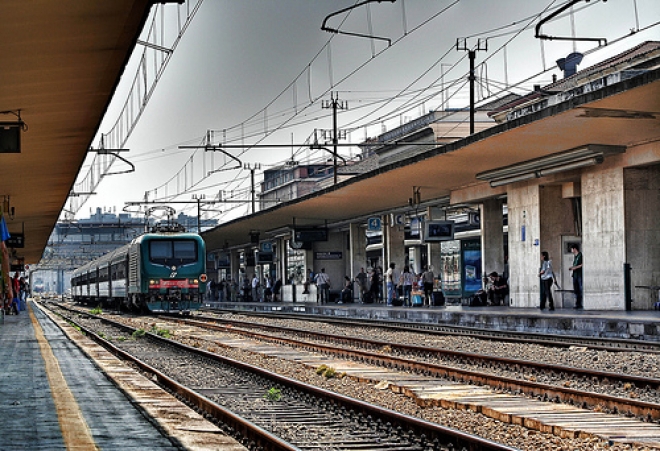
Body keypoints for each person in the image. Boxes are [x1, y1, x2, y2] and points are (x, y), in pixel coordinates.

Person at [569, 244, 583, 309]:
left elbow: (582, 264)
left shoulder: (580, 255)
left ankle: (580, 303)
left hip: (579, 274)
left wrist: (575, 268)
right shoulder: (575, 256)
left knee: (580, 289)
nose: (571, 250)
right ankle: (577, 304)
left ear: (574, 249)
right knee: (576, 289)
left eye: (572, 249)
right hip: (575, 275)